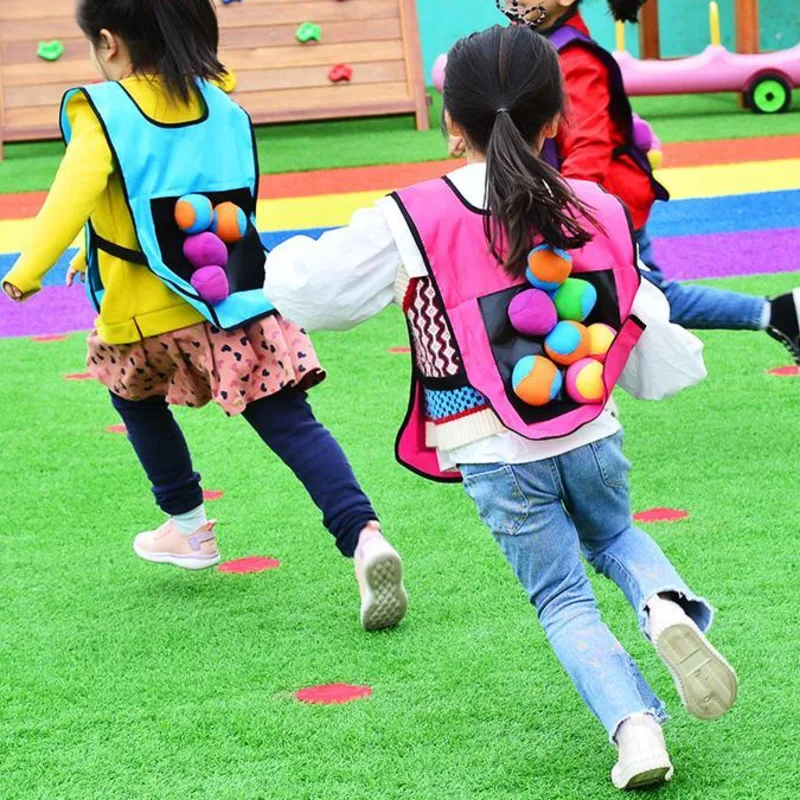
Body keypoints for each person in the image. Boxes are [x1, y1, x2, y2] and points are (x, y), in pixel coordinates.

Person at [262, 24, 738, 791]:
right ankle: (663, 605)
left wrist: (275, 264)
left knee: (559, 596)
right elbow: (639, 304)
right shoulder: (594, 204)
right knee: (616, 533)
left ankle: (637, 730)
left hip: (488, 442)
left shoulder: (412, 216)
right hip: (589, 424)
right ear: (556, 120)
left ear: (453, 123)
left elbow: (317, 293)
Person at [1, 0, 407, 632]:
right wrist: (91, 247)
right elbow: (188, 194)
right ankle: (364, 535)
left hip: (145, 314)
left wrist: (28, 271)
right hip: (233, 299)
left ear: (108, 43)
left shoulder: (103, 109)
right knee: (291, 422)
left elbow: (74, 193)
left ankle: (188, 525)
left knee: (134, 397)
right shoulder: (225, 109)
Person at [487, 0, 800, 363]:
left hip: (601, 209)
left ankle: (777, 314)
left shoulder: (573, 59)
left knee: (651, 298)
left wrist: (560, 213)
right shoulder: (523, 42)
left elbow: (589, 148)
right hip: (562, 206)